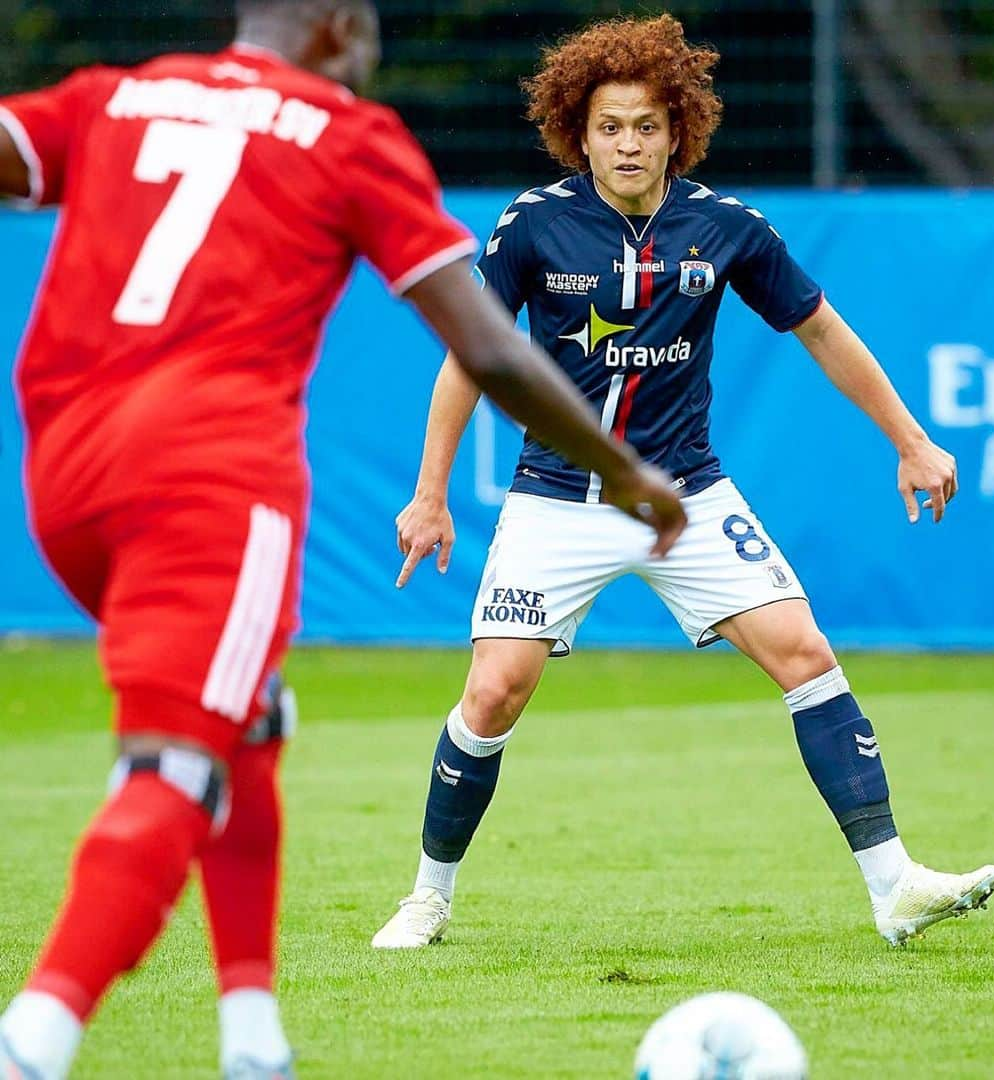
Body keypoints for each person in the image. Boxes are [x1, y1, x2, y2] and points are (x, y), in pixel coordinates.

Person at [0, 2, 686, 1077]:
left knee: (253, 715)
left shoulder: (113, 94)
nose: (374, 47)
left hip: (61, 481)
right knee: (176, 767)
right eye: (366, 24)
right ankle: (36, 1036)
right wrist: (625, 473)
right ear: (327, 23)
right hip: (205, 488)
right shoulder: (346, 134)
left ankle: (253, 1035)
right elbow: (492, 351)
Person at [373, 14, 994, 953]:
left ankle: (894, 885)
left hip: (686, 498)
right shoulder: (533, 224)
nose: (628, 144)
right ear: (577, 134)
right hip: (556, 499)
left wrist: (910, 440)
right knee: (496, 691)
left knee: (805, 653)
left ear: (678, 130)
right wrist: (428, 497)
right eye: (610, 127)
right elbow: (469, 357)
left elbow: (822, 329)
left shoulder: (729, 228)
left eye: (647, 126)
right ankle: (427, 897)